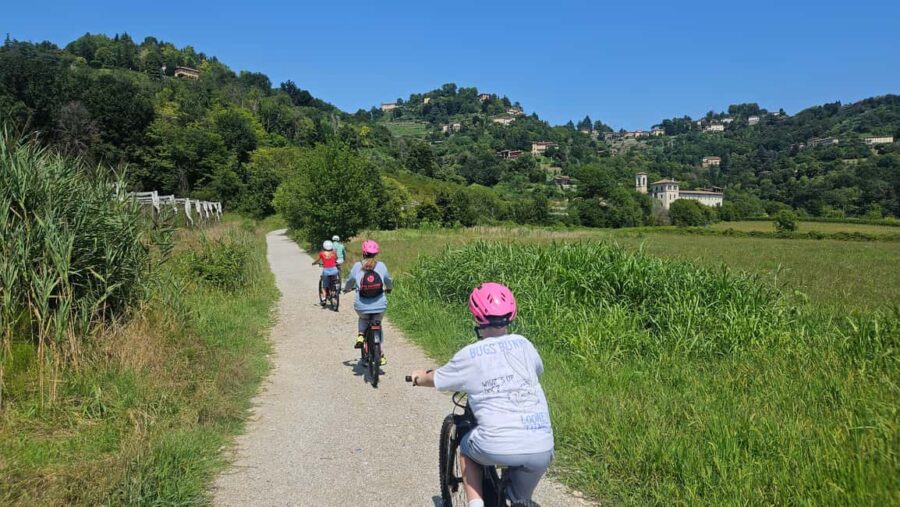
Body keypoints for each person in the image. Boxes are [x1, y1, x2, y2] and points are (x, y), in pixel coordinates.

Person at [409, 283, 553, 507]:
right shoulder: (525, 344)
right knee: (517, 500)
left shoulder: (469, 354)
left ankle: (475, 504)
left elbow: (437, 379)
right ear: (511, 315)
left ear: (476, 317)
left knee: (467, 452)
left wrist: (418, 377)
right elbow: (537, 370)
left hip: (493, 444)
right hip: (541, 447)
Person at [343, 240, 393, 365]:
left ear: (363, 252)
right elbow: (388, 280)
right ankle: (380, 354)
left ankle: (361, 334)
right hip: (380, 305)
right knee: (378, 324)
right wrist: (389, 288)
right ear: (376, 253)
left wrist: (347, 288)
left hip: (362, 305)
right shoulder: (381, 266)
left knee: (363, 318)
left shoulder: (356, 266)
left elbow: (350, 281)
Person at [312, 240, 339, 306]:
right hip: (334, 270)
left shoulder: (322, 253)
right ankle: (334, 292)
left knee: (324, 286)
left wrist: (314, 263)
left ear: (324, 246)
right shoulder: (334, 253)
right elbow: (336, 259)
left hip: (326, 271)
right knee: (334, 282)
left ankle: (324, 299)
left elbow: (318, 260)